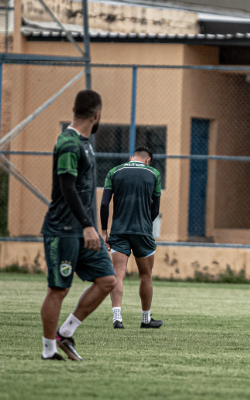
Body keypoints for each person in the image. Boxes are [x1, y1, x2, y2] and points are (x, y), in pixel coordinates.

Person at [40, 90, 116, 361]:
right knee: (59, 289)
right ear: (97, 115)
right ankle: (48, 351)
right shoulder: (69, 142)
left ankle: (66, 332)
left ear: (73, 108)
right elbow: (67, 187)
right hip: (64, 230)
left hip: (85, 231)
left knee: (107, 280)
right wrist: (87, 225)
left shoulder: (85, 142)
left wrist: (89, 227)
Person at [100, 146, 163, 329]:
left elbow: (105, 204)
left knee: (118, 274)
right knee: (146, 276)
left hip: (119, 230)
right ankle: (145, 319)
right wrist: (145, 221)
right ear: (148, 160)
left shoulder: (114, 171)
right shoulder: (154, 174)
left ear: (131, 158)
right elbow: (155, 209)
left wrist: (105, 231)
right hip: (142, 231)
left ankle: (117, 318)